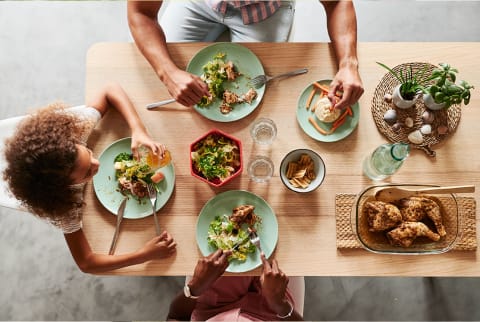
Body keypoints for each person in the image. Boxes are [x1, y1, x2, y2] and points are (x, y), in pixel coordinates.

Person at [2, 83, 176, 273]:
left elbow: (110, 90)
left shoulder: (75, 134)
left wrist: (138, 129)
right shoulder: (64, 212)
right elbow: (86, 263)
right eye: (87, 173)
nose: (97, 164)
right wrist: (143, 254)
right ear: (64, 187)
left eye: (88, 153)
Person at [127, 0, 364, 110]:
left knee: (257, 102)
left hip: (267, 11)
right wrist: (167, 73)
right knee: (156, 77)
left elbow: (337, 2)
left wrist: (348, 64)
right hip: (200, 4)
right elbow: (141, 12)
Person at [167, 249, 304, 321]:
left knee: (226, 247)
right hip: (272, 314)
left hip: (214, 309)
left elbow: (176, 317)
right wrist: (278, 303)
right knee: (281, 248)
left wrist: (195, 287)